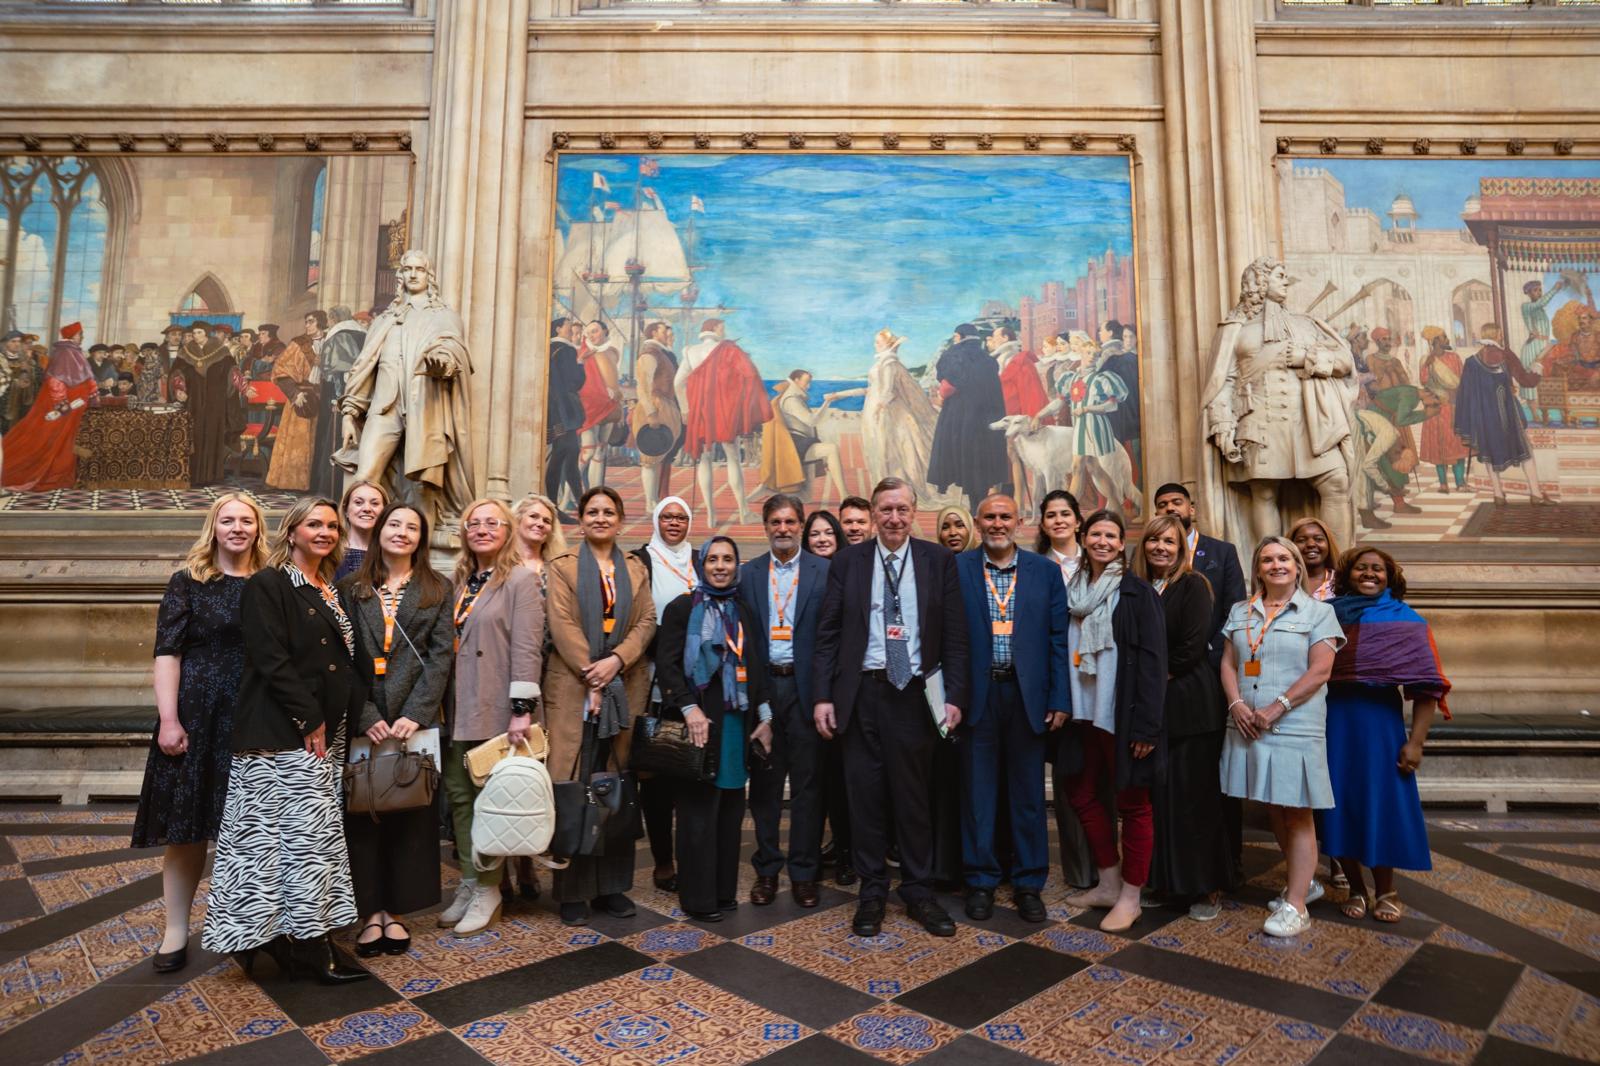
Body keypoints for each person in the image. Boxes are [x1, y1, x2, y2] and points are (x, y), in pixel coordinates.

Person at [202, 497, 369, 984]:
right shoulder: (270, 583)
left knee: (301, 840)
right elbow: (269, 656)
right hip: (284, 733)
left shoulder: (328, 587)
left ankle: (281, 937)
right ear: (291, 532)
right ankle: (308, 946)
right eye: (313, 524)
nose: (325, 532)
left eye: (332, 526)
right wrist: (308, 718)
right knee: (290, 843)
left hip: (323, 730)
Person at [813, 477, 969, 938]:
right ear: (874, 514)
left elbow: (956, 636)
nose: (894, 518)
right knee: (865, 798)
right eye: (886, 510)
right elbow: (828, 634)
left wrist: (955, 697)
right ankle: (872, 891)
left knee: (914, 798)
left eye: (902, 509)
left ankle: (919, 891)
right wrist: (823, 696)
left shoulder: (937, 560)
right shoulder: (849, 561)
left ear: (914, 512)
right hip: (863, 693)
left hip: (916, 695)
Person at [134, 492, 267, 974]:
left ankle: (251, 928)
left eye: (246, 520)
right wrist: (169, 720)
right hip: (196, 713)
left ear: (258, 529)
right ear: (214, 527)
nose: (237, 527)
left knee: (252, 829)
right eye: (227, 520)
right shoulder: (188, 582)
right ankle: (175, 929)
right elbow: (167, 653)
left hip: (254, 714)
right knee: (187, 830)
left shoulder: (271, 583)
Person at [341, 502, 455, 955]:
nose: (402, 532)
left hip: (414, 720)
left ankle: (398, 912)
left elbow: (441, 655)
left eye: (412, 527)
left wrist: (417, 712)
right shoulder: (351, 587)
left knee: (411, 811)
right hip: (364, 716)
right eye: (394, 524)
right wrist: (366, 715)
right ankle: (370, 912)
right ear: (379, 531)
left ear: (420, 538)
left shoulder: (437, 587)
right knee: (365, 810)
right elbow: (342, 658)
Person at [1219, 536, 1345, 938]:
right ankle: (1302, 883)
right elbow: (1228, 663)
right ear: (1258, 568)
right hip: (1248, 721)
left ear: (1297, 566)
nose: (1277, 565)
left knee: (1297, 810)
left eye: (1284, 558)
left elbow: (1321, 670)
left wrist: (1278, 707)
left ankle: (1297, 907)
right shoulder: (1240, 611)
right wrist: (1235, 703)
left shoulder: (1319, 612)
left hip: (1294, 723)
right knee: (1274, 803)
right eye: (1268, 559)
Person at [1319, 547, 1449, 924]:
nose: (1369, 573)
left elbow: (1426, 687)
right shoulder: (1327, 615)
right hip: (1332, 722)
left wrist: (1416, 742)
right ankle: (1356, 888)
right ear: (1347, 574)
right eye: (1361, 568)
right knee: (1338, 805)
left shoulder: (1406, 620)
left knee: (1382, 803)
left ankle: (1386, 889)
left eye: (1377, 569)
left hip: (1380, 726)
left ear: (1390, 577)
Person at [544, 486, 656, 925]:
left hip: (622, 686)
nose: (601, 518)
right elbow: (561, 622)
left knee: (616, 786)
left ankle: (611, 887)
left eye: (609, 512)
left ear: (621, 520)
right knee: (575, 786)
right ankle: (572, 891)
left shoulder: (635, 568)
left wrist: (616, 661)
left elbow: (646, 620)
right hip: (576, 688)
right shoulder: (563, 567)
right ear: (581, 519)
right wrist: (593, 671)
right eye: (592, 511)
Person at [956, 494, 1069, 923]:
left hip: (1028, 698)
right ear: (978, 522)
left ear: (1019, 522)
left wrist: (1059, 698)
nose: (998, 523)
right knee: (978, 796)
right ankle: (981, 881)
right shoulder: (958, 568)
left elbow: (1059, 639)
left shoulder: (1044, 572)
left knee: (1028, 797)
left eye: (1005, 516)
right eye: (990, 517)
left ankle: (1028, 882)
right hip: (978, 698)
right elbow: (948, 638)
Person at [1201, 257, 1360, 558]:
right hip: (1260, 420)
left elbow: (1344, 362)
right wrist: (1222, 424)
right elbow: (1222, 382)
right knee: (1263, 492)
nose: (1286, 281)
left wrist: (1308, 358)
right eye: (1279, 275)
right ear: (1260, 282)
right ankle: (1272, 567)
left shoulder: (1307, 325)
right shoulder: (1235, 330)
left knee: (1336, 482)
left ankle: (1338, 569)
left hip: (1311, 424)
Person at [435, 498, 544, 935]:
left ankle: (489, 889)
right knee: (461, 798)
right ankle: (469, 880)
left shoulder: (520, 579)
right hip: (458, 704)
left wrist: (521, 710)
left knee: (491, 802)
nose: (482, 529)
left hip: (497, 707)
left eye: (492, 523)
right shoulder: (459, 580)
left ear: (507, 530)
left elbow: (528, 647)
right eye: (473, 523)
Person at [1059, 510, 1168, 933]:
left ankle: (1131, 896)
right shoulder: (1072, 591)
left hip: (1120, 714)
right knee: (1083, 794)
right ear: (1084, 537)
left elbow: (1154, 662)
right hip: (1080, 712)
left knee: (1134, 804)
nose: (1102, 541)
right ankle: (1108, 881)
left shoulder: (1137, 593)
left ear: (1122, 543)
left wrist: (1147, 726)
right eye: (1095, 534)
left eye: (1111, 535)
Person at [657, 536, 775, 920]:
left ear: (736, 565)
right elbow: (668, 667)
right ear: (701, 565)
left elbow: (757, 667)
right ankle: (698, 899)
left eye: (727, 559)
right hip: (699, 724)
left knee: (729, 812)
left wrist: (766, 718)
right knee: (697, 814)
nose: (720, 566)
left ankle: (723, 893)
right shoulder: (681, 608)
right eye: (713, 560)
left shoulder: (744, 610)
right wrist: (689, 708)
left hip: (737, 724)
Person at [1135, 515, 1233, 921]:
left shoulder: (1194, 585)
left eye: (1169, 542)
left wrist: (1148, 675)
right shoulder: (1139, 587)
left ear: (1181, 549)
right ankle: (1167, 882)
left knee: (1195, 800)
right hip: (1156, 705)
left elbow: (1192, 647)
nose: (1160, 547)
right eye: (1154, 540)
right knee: (1163, 800)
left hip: (1191, 706)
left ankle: (1207, 887)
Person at [338, 250, 476, 533]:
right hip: (383, 408)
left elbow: (452, 348)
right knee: (364, 479)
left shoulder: (443, 316)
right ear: (400, 275)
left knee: (424, 485)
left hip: (424, 407)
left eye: (420, 270)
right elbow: (364, 367)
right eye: (407, 269)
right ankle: (355, 548)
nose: (413, 274)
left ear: (429, 276)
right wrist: (350, 414)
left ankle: (421, 551)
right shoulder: (385, 319)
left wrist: (443, 362)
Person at [741, 494, 830, 907]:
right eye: (775, 522)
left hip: (807, 689)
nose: (783, 529)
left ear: (801, 526)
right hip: (764, 689)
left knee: (809, 785)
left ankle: (804, 872)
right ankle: (766, 870)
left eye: (790, 522)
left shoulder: (824, 571)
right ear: (765, 526)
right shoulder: (748, 574)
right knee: (765, 785)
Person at [503, 492, 567, 904]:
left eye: (546, 520)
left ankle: (527, 862)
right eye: (533, 517)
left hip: (551, 677)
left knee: (534, 772)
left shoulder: (558, 568)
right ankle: (499, 867)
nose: (540, 524)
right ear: (517, 520)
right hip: (507, 676)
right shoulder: (501, 565)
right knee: (501, 772)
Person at [1033, 488, 1097, 890]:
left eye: (1065, 514)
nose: (1058, 520)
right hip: (1057, 682)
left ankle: (1107, 866)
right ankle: (1079, 871)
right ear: (1043, 524)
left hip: (1097, 682)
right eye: (1051, 515)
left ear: (1078, 520)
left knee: (1101, 779)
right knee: (1069, 777)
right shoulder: (1034, 567)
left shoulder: (1099, 563)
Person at [633, 496, 697, 895]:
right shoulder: (640, 560)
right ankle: (663, 860)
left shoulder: (702, 559)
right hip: (653, 681)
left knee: (691, 772)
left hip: (697, 687)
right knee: (656, 775)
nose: (674, 522)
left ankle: (692, 855)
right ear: (657, 520)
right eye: (667, 516)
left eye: (681, 517)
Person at [676, 318, 767, 526]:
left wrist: (685, 409)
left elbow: (678, 383)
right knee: (733, 457)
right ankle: (743, 512)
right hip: (725, 410)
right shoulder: (730, 349)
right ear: (715, 329)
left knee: (705, 458)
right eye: (722, 328)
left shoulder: (690, 351)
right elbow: (750, 374)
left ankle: (711, 516)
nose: (724, 331)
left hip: (700, 411)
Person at [805, 506, 855, 884]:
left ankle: (847, 851)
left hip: (842, 690)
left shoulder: (851, 572)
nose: (822, 539)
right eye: (814, 534)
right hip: (804, 688)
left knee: (842, 780)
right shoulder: (800, 575)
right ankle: (815, 850)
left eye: (827, 533)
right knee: (814, 778)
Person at [1455, 323, 1552, 506]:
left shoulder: (1471, 362)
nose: (1502, 336)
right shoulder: (1505, 355)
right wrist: (1539, 362)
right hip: (1507, 413)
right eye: (1500, 333)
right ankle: (1536, 494)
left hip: (1484, 416)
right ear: (1497, 335)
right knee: (1526, 450)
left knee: (1490, 452)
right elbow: (1527, 381)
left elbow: (1465, 395)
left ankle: (1498, 495)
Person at [1, 322, 96, 492]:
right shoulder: (65, 352)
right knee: (48, 440)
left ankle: (60, 474)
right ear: (72, 335)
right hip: (61, 409)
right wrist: (61, 403)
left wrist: (92, 393)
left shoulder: (74, 351)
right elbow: (55, 380)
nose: (82, 337)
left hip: (74, 408)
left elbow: (86, 378)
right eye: (79, 334)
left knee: (64, 441)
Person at [928, 323, 1010, 510]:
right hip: (986, 418)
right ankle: (978, 504)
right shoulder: (988, 359)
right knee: (981, 459)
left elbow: (946, 386)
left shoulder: (953, 355)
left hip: (960, 416)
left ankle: (973, 506)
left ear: (959, 336)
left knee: (962, 456)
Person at [173, 321, 245, 487]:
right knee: (194, 434)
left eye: (199, 332)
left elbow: (233, 372)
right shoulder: (186, 352)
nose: (195, 336)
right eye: (194, 333)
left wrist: (244, 387)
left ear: (206, 333)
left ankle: (212, 475)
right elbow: (177, 373)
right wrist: (179, 389)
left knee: (213, 435)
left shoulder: (221, 351)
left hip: (215, 402)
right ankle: (192, 475)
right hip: (193, 401)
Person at [762, 369, 848, 504]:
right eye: (806, 382)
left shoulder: (794, 396)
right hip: (797, 445)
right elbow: (811, 421)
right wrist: (827, 402)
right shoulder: (791, 399)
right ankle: (844, 495)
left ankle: (772, 492)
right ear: (796, 380)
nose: (808, 386)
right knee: (831, 449)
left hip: (804, 442)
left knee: (806, 497)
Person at [312, 307, 365, 499]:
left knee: (337, 443)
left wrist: (337, 399)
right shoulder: (362, 333)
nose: (328, 323)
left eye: (329, 319)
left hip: (342, 400)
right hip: (361, 398)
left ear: (333, 318)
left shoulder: (340, 335)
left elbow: (339, 372)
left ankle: (333, 492)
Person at [631, 320, 683, 512]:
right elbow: (643, 386)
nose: (666, 333)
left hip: (665, 405)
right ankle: (649, 502)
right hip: (654, 406)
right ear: (654, 332)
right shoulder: (649, 354)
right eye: (663, 330)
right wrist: (651, 412)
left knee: (659, 457)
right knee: (650, 458)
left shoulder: (660, 353)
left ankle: (654, 500)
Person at [264, 321, 321, 492]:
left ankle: (316, 484)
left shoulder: (331, 341)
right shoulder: (298, 344)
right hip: (300, 397)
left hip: (323, 399)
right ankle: (292, 483)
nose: (307, 325)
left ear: (321, 323)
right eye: (306, 322)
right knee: (297, 441)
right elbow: (280, 369)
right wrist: (295, 394)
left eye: (311, 322)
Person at [1418, 328, 1469, 494]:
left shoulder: (1454, 357)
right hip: (1436, 409)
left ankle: (1460, 483)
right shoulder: (1426, 360)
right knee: (1438, 445)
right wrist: (1428, 365)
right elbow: (1424, 381)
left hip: (1454, 407)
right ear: (1435, 341)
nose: (1447, 340)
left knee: (1457, 444)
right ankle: (1443, 484)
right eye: (1444, 337)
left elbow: (1462, 380)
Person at [545, 317, 586, 516]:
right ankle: (555, 507)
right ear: (558, 329)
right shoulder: (567, 351)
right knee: (563, 457)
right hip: (565, 413)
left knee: (566, 457)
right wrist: (580, 364)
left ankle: (580, 505)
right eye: (568, 328)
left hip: (554, 412)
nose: (571, 331)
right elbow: (575, 382)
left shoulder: (550, 349)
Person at [577, 320, 624, 490]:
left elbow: (613, 380)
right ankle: (568, 493)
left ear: (605, 331)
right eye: (589, 332)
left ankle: (594, 492)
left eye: (595, 331)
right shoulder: (583, 353)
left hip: (609, 406)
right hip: (590, 406)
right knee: (588, 451)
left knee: (600, 452)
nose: (591, 335)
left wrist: (617, 400)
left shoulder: (612, 352)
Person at [334, 480, 389, 582]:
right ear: (346, 509)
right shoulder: (330, 552)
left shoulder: (392, 554)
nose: (367, 509)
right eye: (358, 503)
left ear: (385, 511)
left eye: (375, 503)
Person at [1288, 516, 1340, 603]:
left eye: (1318, 539)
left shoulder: (1341, 581)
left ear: (1329, 544)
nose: (1311, 544)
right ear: (1290, 545)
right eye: (1301, 540)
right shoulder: (1282, 580)